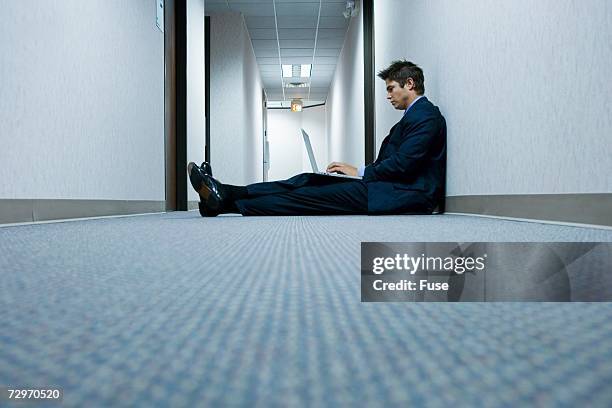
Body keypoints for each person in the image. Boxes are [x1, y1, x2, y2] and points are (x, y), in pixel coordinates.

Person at [188, 60, 446, 217]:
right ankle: (225, 192)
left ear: (410, 84)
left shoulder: (426, 117)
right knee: (306, 180)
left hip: (405, 195)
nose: (388, 96)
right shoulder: (414, 117)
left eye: (391, 89)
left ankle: (224, 205)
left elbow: (404, 165)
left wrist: (360, 171)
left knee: (307, 197)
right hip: (384, 188)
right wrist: (360, 173)